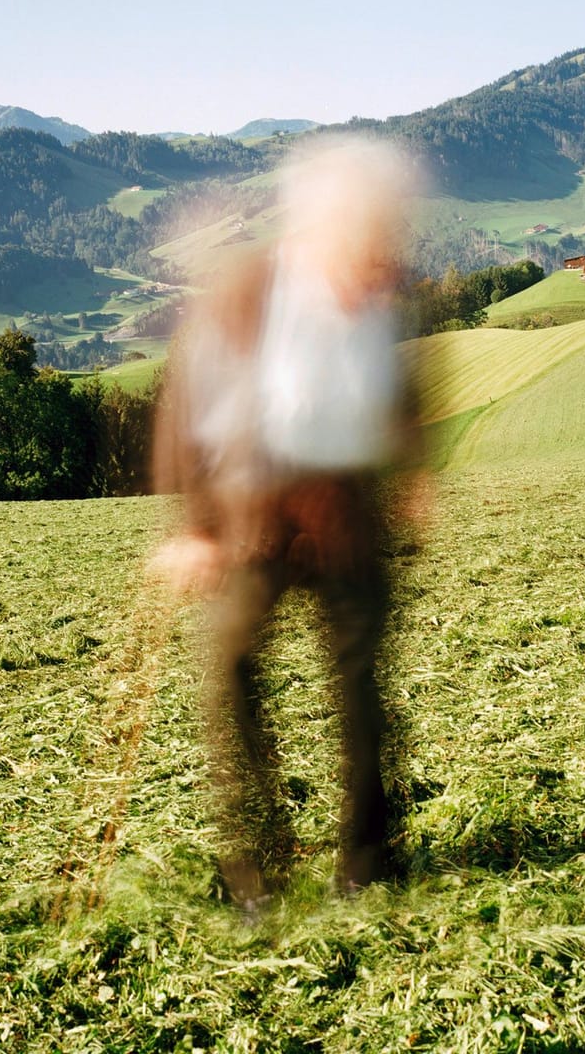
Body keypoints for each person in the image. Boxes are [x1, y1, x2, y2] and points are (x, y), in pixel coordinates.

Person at [149, 136, 427, 907]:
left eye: (383, 234)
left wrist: (414, 466)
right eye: (362, 234)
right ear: (321, 225)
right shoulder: (251, 290)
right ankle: (256, 868)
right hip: (259, 514)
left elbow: (404, 387)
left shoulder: (380, 292)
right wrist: (199, 525)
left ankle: (365, 868)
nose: (376, 254)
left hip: (349, 516)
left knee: (363, 688)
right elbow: (193, 398)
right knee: (236, 672)